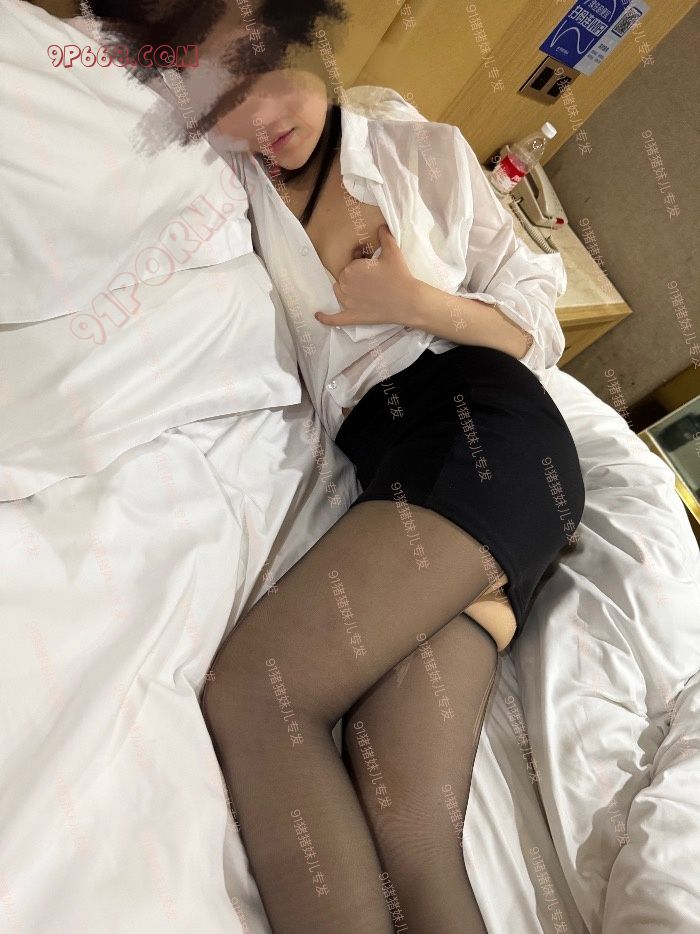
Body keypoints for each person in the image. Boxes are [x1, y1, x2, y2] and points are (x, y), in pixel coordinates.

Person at [200, 68, 585, 933]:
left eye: (266, 80)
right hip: (405, 470)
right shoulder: (229, 194)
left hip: (482, 428)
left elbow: (539, 321)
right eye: (226, 103)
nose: (259, 118)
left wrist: (416, 302)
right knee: (411, 829)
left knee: (259, 693)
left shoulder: (420, 152)